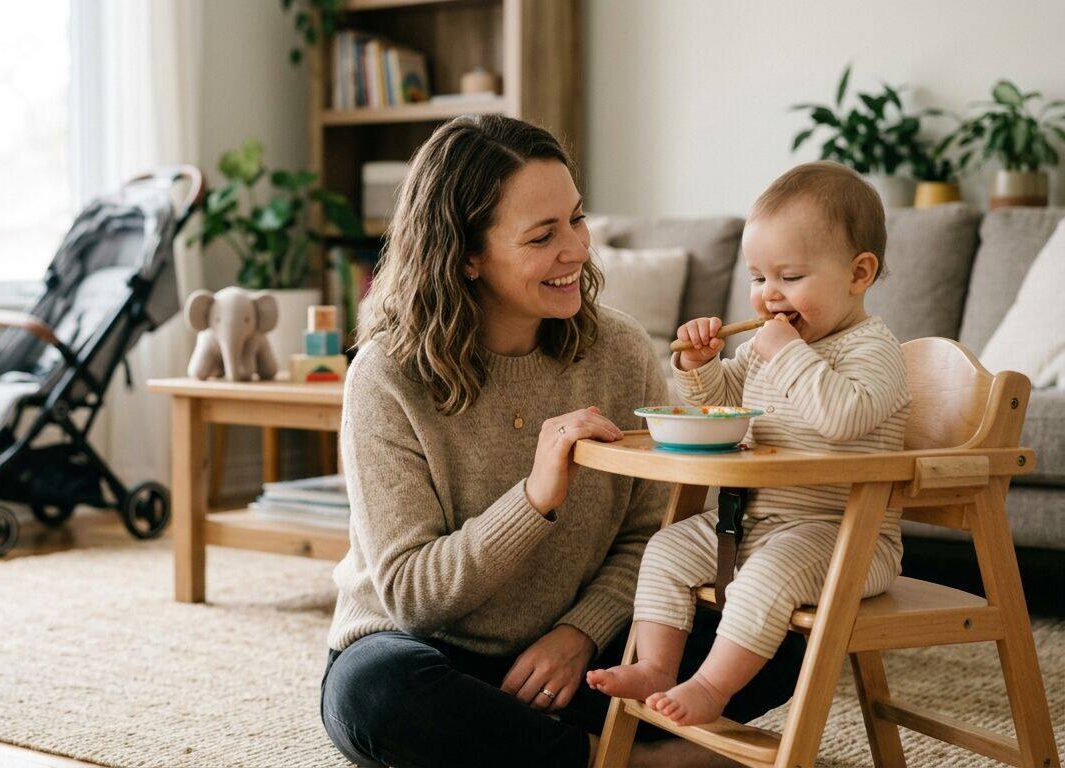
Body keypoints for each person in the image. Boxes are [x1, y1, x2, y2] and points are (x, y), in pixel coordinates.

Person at [319, 114, 804, 767]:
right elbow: (409, 596)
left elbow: (652, 534)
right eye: (542, 235)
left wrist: (581, 633)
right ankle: (633, 760)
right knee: (372, 696)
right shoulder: (385, 376)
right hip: (426, 646)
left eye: (577, 220)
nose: (576, 250)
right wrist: (534, 498)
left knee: (789, 629)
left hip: (581, 652)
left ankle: (538, 748)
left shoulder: (621, 351)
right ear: (464, 255)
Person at [588, 161, 910, 727]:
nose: (768, 297)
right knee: (663, 549)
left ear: (859, 273)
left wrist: (785, 352)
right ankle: (659, 667)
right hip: (756, 524)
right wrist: (701, 363)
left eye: (789, 277)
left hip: (847, 536)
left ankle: (711, 688)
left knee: (766, 577)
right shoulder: (773, 347)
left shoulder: (873, 350)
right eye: (759, 279)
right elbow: (725, 404)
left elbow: (843, 417)